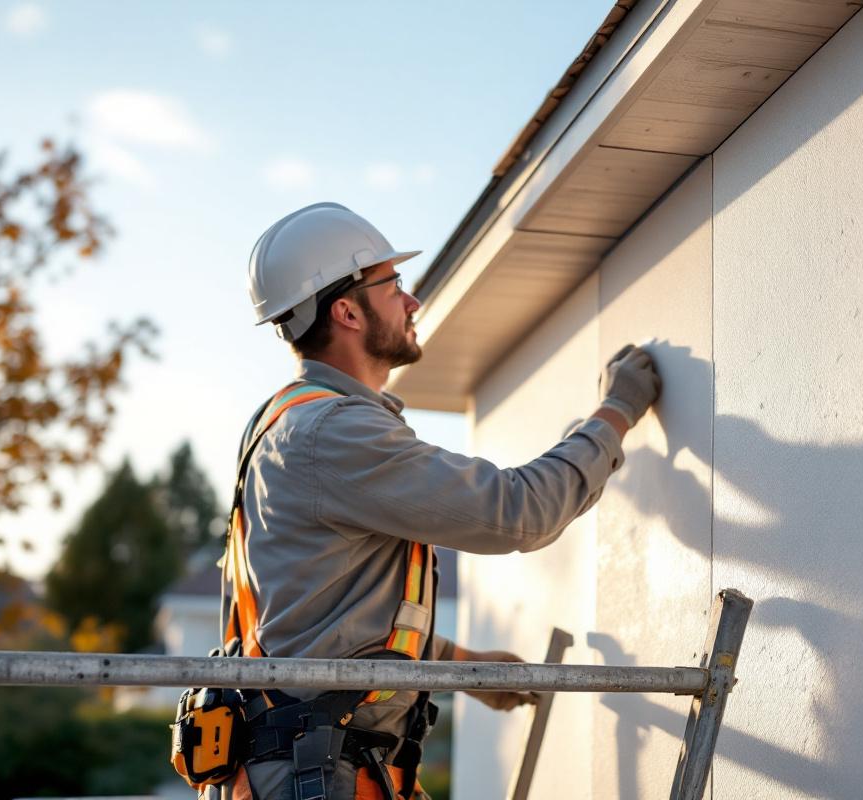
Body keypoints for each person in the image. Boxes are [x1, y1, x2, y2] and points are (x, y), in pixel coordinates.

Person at [220, 203, 660, 800]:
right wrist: (616, 413)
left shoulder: (284, 423)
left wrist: (463, 664)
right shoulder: (334, 433)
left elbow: (330, 624)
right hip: (319, 774)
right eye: (392, 283)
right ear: (347, 311)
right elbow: (517, 511)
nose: (412, 302)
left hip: (311, 766)